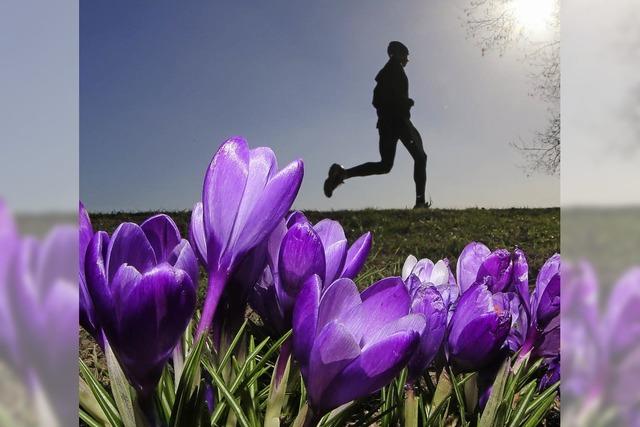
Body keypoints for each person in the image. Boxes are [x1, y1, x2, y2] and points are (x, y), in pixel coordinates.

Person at [323, 41, 430, 209]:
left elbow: (377, 99)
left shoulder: (387, 72)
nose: (408, 60)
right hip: (398, 121)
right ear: (398, 54)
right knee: (420, 157)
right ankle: (420, 202)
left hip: (387, 123)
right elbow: (379, 99)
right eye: (406, 56)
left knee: (385, 165)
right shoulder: (393, 70)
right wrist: (405, 102)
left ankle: (342, 173)